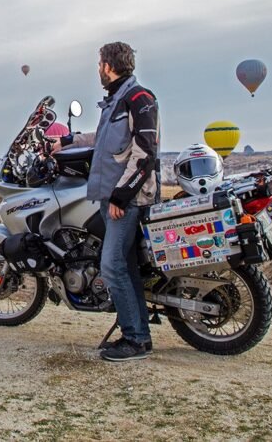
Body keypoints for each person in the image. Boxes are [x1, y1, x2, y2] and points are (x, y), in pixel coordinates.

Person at [49, 42, 161, 362]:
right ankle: (138, 334)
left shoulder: (139, 99)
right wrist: (67, 141)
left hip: (128, 199)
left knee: (111, 266)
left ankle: (135, 340)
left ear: (108, 66)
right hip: (111, 195)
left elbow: (145, 153)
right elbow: (101, 140)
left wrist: (121, 197)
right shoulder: (116, 101)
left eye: (99, 63)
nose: (98, 68)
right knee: (124, 266)